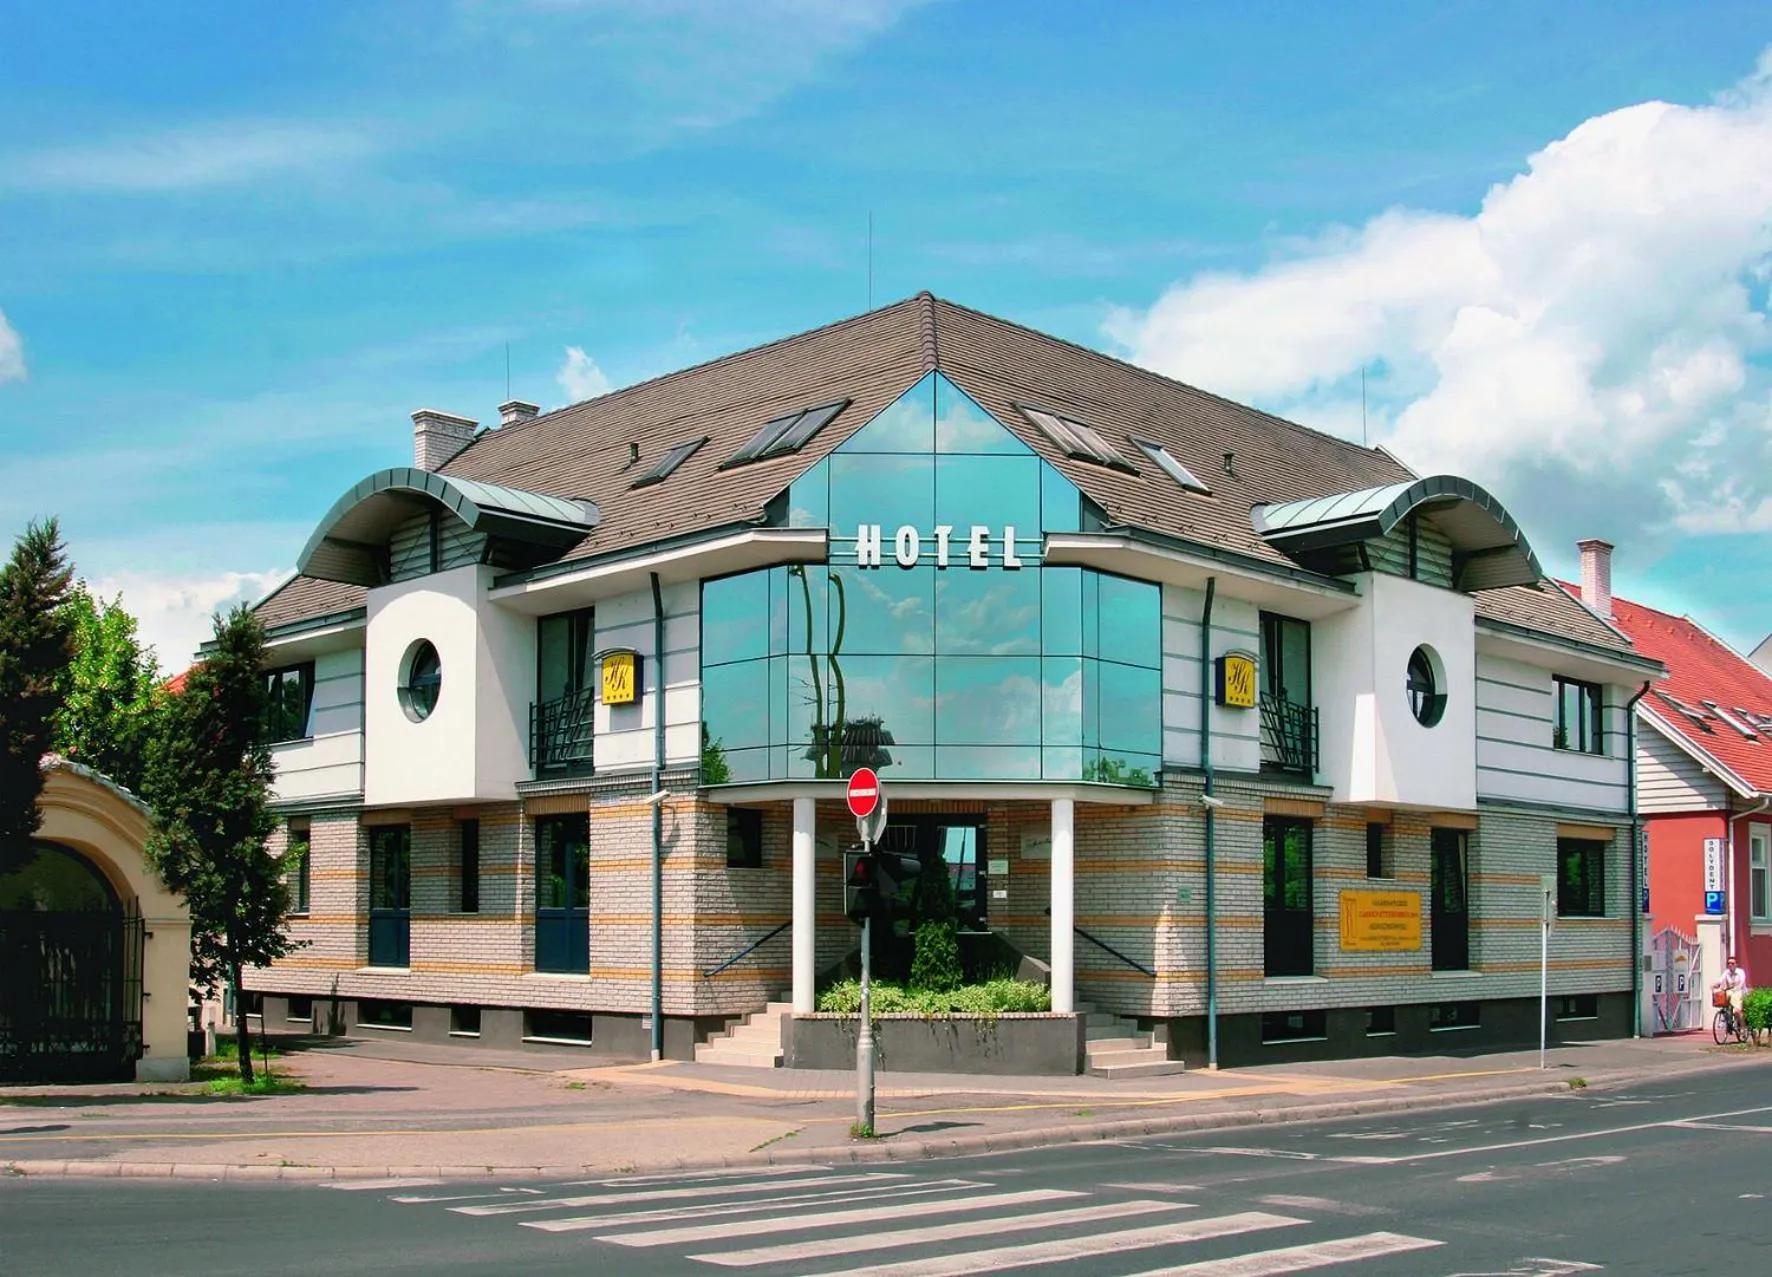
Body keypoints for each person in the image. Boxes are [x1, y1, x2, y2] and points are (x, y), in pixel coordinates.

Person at [1715, 955, 1748, 1029]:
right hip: (1731, 991)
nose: (1730, 965)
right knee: (1722, 996)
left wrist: (1736, 987)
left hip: (1740, 991)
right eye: (1729, 963)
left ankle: (1743, 1027)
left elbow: (1742, 982)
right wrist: (1715, 985)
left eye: (1732, 963)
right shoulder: (1726, 972)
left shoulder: (1740, 972)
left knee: (1737, 1011)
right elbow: (1720, 980)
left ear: (1736, 964)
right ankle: (1724, 1017)